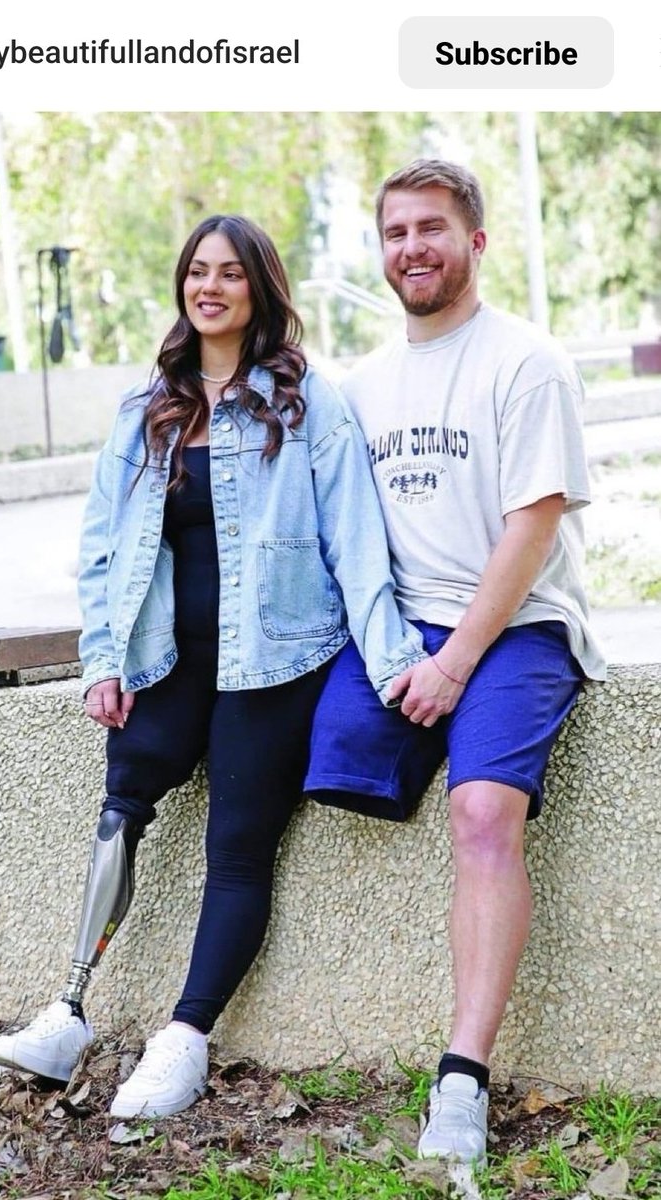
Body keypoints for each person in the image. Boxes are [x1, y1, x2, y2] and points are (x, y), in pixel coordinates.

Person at [0, 214, 426, 1119]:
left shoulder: (308, 402)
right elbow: (104, 545)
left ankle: (183, 1038)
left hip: (275, 662)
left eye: (230, 272)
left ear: (260, 287)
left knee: (236, 849)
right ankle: (68, 1009)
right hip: (165, 658)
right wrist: (101, 658)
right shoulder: (147, 408)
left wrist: (395, 665)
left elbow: (356, 540)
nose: (210, 286)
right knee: (123, 805)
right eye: (197, 270)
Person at [304, 159, 606, 1167]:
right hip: (403, 631)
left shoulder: (526, 361)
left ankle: (462, 1083)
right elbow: (347, 537)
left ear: (474, 242)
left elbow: (532, 527)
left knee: (481, 812)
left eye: (432, 229)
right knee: (286, 755)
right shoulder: (361, 385)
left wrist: (456, 662)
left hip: (515, 626)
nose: (411, 249)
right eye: (394, 233)